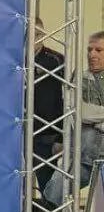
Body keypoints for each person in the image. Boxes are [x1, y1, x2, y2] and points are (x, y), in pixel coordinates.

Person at [43, 31, 104, 206]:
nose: (92, 54)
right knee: (53, 194)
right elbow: (81, 112)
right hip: (83, 157)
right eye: (89, 50)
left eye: (98, 50)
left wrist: (96, 119)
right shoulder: (79, 78)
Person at [33, 17, 65, 194]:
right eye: (29, 34)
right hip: (16, 135)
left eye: (38, 34)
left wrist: (61, 139)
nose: (34, 39)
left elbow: (66, 102)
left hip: (46, 136)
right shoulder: (11, 61)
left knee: (49, 191)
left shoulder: (56, 60)